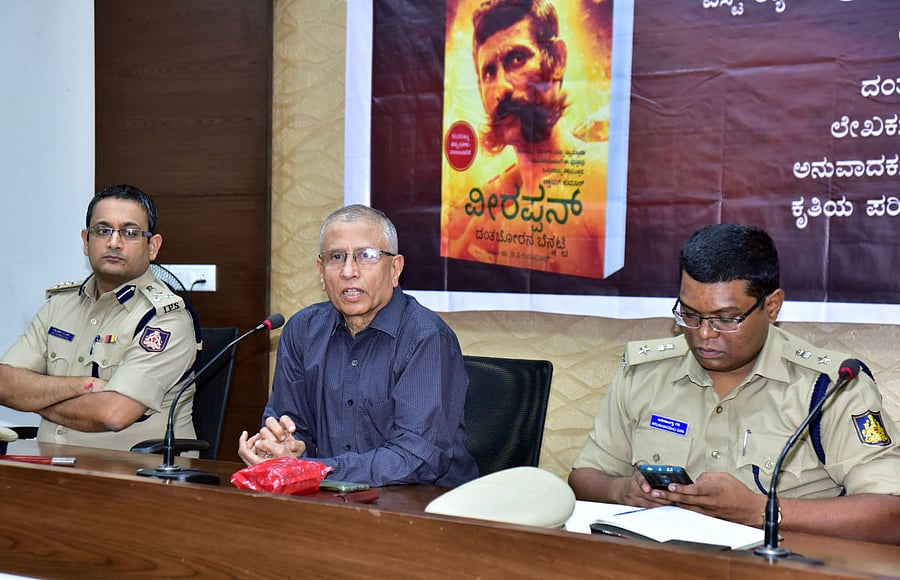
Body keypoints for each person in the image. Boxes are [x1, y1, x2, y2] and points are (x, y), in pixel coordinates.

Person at [568, 224, 900, 544]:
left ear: (772, 306)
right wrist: (622, 491)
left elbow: (890, 515)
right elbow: (585, 477)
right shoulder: (645, 373)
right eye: (689, 313)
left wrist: (758, 511)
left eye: (726, 319)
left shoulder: (830, 389)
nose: (704, 334)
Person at [238, 205, 478, 487]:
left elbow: (416, 458)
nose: (349, 271)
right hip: (328, 502)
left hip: (421, 507)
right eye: (336, 257)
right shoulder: (302, 331)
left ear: (395, 269)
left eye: (367, 256)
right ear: (320, 271)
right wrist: (283, 446)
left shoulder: (426, 337)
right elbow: (292, 423)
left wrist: (312, 469)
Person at [0, 184, 200, 451]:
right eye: (102, 230)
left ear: (152, 247)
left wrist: (35, 397)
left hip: (136, 478)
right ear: (86, 241)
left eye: (130, 233)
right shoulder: (60, 305)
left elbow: (113, 413)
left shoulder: (166, 319)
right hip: (50, 470)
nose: (114, 242)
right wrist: (83, 386)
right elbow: (5, 383)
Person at [444, 0, 609, 278]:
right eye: (489, 72)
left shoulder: (603, 175)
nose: (502, 89)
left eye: (517, 59)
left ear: (556, 60)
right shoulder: (487, 206)